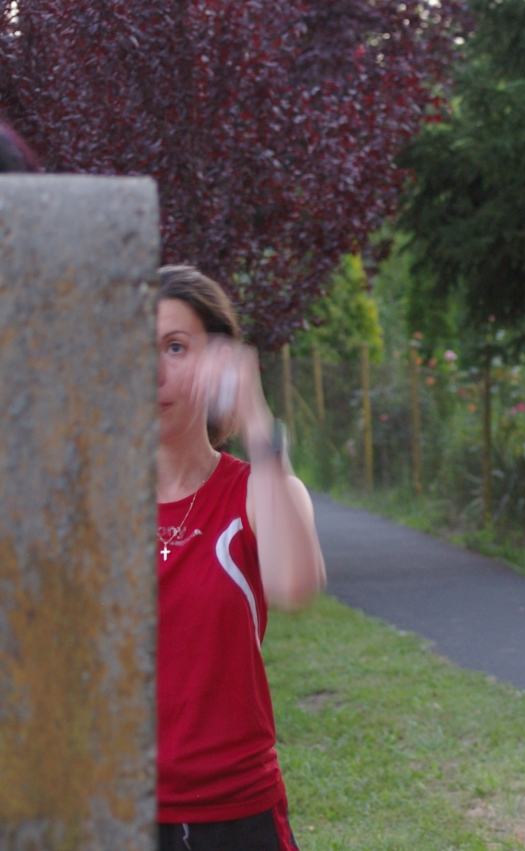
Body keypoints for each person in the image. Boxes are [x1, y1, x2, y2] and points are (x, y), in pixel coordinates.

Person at [154, 265, 326, 851]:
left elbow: (295, 583)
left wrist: (257, 420)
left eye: (175, 347)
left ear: (220, 361)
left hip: (235, 813)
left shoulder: (255, 491)